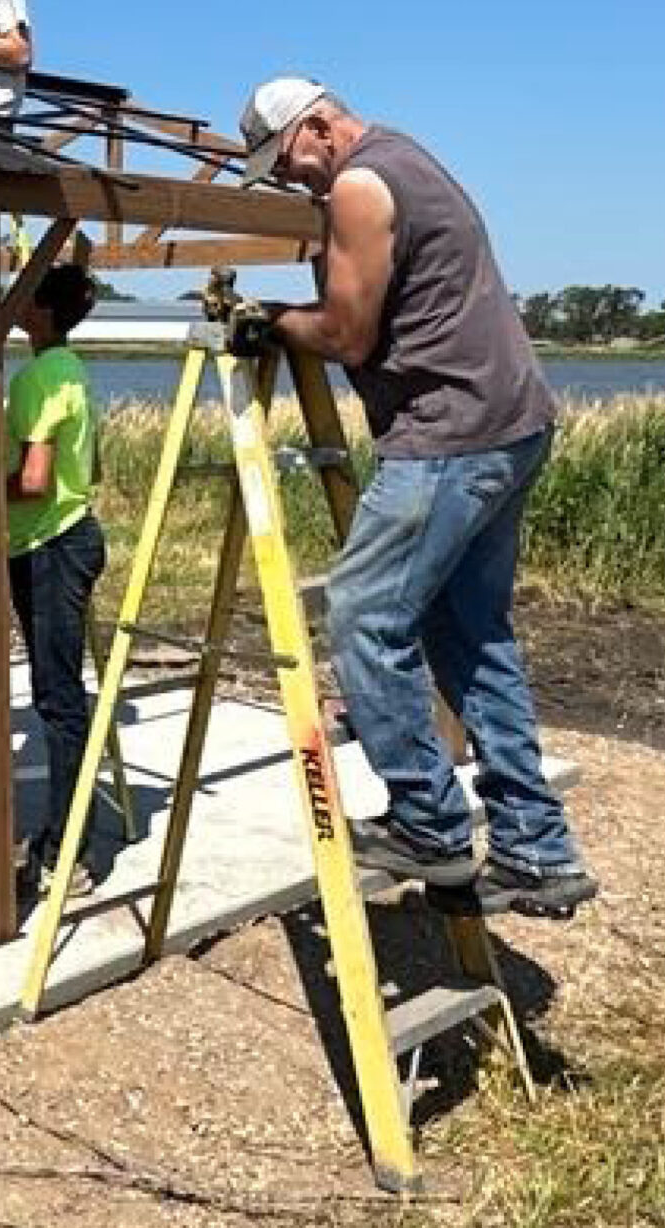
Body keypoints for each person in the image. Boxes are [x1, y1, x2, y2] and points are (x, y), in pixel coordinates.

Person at [234, 77, 597, 919]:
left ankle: (429, 827)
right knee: (473, 640)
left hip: (450, 434)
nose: (292, 181)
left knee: (364, 613)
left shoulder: (360, 186)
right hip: (509, 422)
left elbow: (346, 333)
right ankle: (536, 849)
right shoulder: (409, 159)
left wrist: (275, 320)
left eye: (286, 162)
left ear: (319, 126)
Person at [5, 263, 110, 898]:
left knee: (58, 697)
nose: (13, 305)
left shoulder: (39, 378)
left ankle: (67, 850)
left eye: (23, 297)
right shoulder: (70, 367)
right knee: (63, 692)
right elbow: (87, 462)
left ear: (40, 312)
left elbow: (35, 480)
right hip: (71, 533)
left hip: (49, 543)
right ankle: (70, 841)